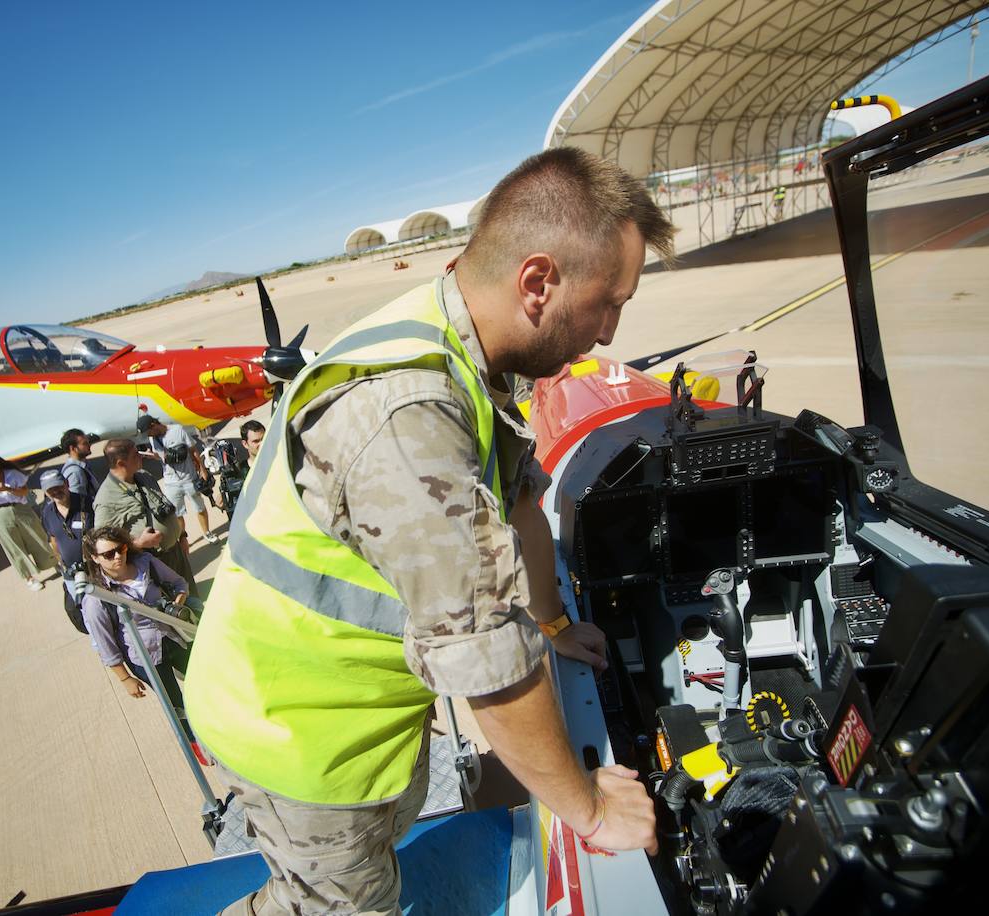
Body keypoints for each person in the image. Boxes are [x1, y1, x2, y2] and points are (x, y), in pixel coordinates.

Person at [184, 147, 675, 915]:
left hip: (360, 719)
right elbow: (487, 664)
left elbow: (516, 496)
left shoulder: (457, 334)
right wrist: (590, 809)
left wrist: (551, 619)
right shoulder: (403, 417)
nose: (610, 332)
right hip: (299, 737)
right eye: (608, 302)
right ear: (538, 283)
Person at [76, 525, 195, 716]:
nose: (117, 556)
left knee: (206, 683)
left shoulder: (146, 563)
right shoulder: (96, 599)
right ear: (94, 558)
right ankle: (192, 741)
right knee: (178, 708)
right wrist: (125, 679)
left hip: (177, 638)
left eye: (120, 549)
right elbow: (106, 647)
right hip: (146, 659)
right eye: (108, 554)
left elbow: (180, 584)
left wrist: (176, 606)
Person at [92, 437, 195, 590]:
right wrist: (139, 543)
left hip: (176, 552)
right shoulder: (106, 500)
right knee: (178, 609)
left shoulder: (144, 476)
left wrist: (182, 535)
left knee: (193, 598)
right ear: (121, 463)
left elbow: (165, 507)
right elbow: (103, 545)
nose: (141, 456)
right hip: (154, 564)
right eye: (135, 455)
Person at [0, 453, 55, 591]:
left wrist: (6, 488)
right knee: (13, 547)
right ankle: (29, 578)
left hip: (21, 509)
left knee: (37, 537)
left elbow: (24, 492)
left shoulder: (12, 474)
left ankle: (52, 562)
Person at [138, 414, 218, 545]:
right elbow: (163, 457)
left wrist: (203, 470)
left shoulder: (177, 430)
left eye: (149, 432)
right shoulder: (153, 439)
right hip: (171, 483)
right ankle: (182, 539)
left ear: (153, 425)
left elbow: (193, 451)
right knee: (176, 514)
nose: (149, 436)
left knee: (200, 508)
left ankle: (207, 532)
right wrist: (154, 456)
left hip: (189, 478)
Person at [37, 469, 94, 633]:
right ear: (46, 493)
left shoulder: (87, 503)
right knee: (84, 610)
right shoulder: (47, 512)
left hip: (95, 569)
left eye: (58, 487)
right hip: (70, 574)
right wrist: (61, 563)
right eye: (50, 490)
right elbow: (53, 538)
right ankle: (98, 644)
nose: (56, 492)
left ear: (67, 484)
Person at [212, 419, 265, 521]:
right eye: (256, 441)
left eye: (263, 439)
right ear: (245, 444)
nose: (261, 444)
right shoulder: (238, 471)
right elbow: (223, 502)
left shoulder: (277, 462)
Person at [59, 428, 100, 498]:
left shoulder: (82, 466)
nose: (89, 445)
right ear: (73, 448)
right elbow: (77, 501)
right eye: (84, 443)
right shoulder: (75, 472)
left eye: (88, 442)